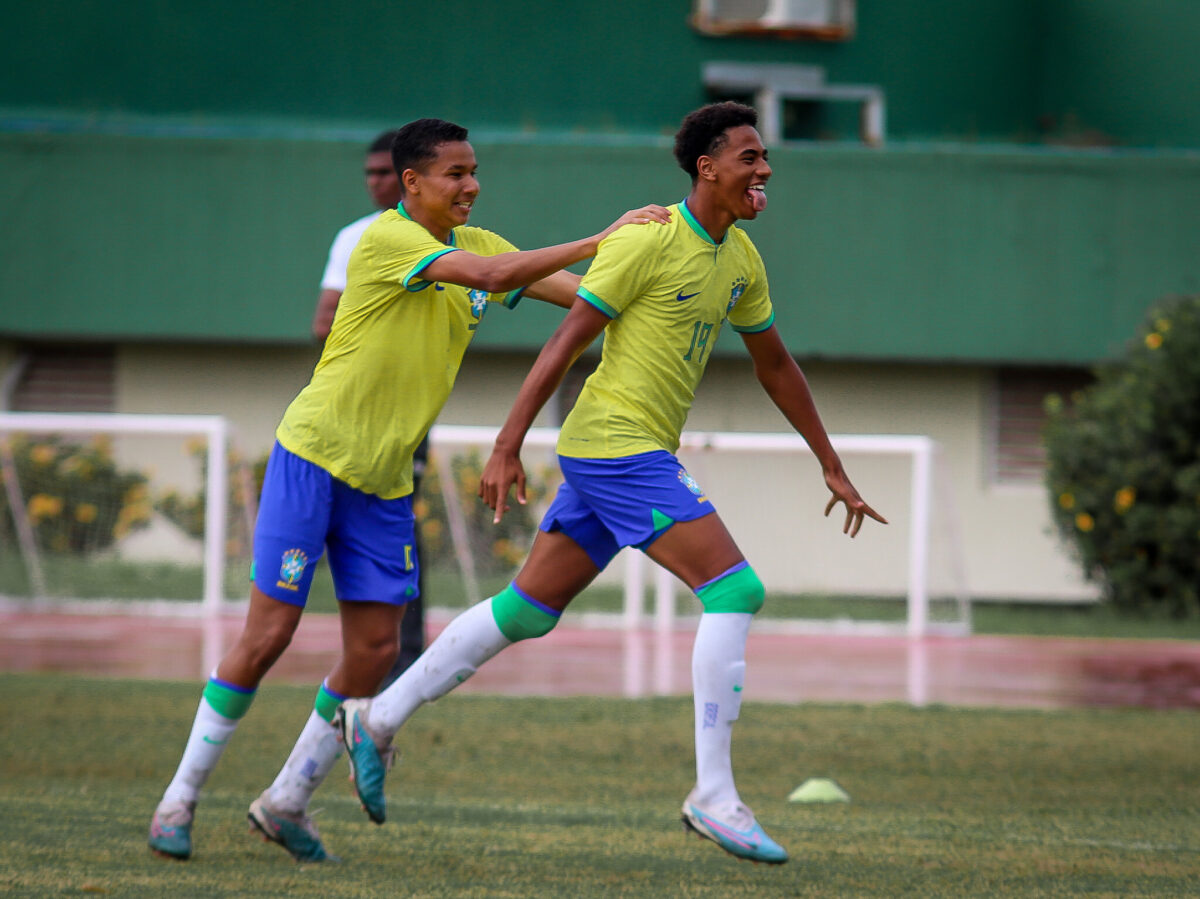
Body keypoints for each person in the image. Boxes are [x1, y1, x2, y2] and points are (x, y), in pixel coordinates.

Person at [335, 101, 886, 867]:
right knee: (734, 590)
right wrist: (506, 443)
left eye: (766, 159)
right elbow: (566, 340)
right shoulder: (650, 240)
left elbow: (775, 365)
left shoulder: (742, 261)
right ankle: (713, 795)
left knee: (524, 612)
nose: (764, 170)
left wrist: (829, 459)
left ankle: (379, 716)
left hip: (619, 452)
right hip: (614, 448)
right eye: (751, 156)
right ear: (708, 168)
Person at [147, 117, 670, 863]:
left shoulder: (482, 243)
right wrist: (602, 233)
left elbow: (582, 297)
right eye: (455, 174)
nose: (471, 185)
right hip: (314, 457)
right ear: (412, 183)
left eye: (475, 170)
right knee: (267, 636)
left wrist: (662, 296)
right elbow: (496, 279)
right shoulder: (387, 241)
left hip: (386, 480)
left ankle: (287, 797)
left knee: (374, 651)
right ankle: (178, 800)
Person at [312, 129, 426, 682]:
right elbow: (322, 321)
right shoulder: (360, 238)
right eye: (370, 174)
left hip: (406, 418)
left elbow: (498, 275)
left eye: (384, 172)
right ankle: (364, 653)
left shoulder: (456, 241)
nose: (375, 183)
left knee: (401, 521)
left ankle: (403, 655)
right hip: (344, 418)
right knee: (337, 529)